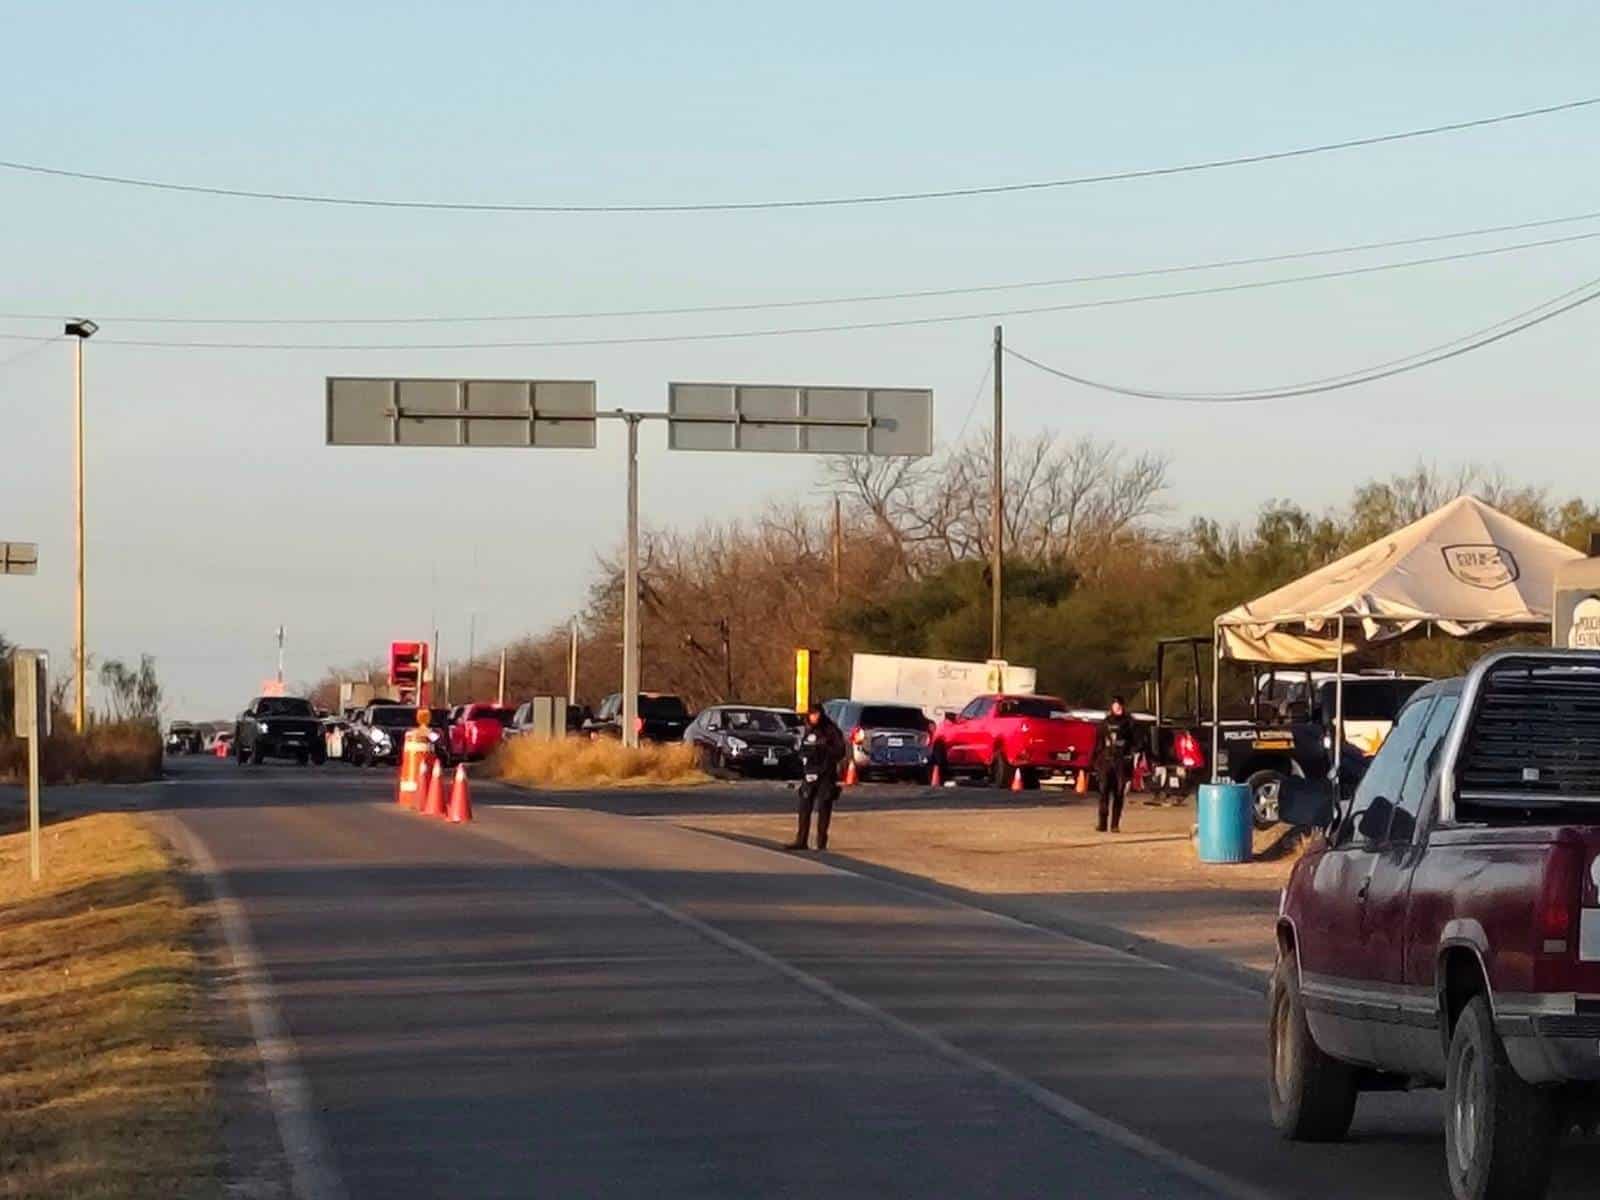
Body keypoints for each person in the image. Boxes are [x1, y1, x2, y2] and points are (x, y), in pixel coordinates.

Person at [786, 703, 847, 852]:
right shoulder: (809, 730)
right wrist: (803, 758)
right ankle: (801, 841)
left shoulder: (831, 730)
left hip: (826, 775)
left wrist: (825, 749)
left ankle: (821, 843)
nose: (814, 717)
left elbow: (840, 751)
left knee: (824, 807)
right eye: (812, 714)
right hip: (810, 774)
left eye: (817, 714)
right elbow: (802, 750)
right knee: (804, 806)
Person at [1095, 696, 1137, 833]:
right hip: (1106, 762)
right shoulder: (1104, 723)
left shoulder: (1129, 723)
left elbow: (1135, 743)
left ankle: (1114, 824)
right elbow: (1098, 744)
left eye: (1120, 705)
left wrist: (1130, 756)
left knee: (1118, 794)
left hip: (1121, 763)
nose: (1118, 708)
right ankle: (1102, 824)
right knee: (1103, 793)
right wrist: (1095, 762)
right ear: (1111, 707)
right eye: (1115, 705)